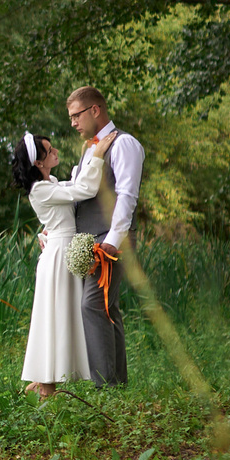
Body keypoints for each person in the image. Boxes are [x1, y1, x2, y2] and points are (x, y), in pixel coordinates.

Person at [12, 128, 106, 397]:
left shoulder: (50, 181)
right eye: (49, 151)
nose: (55, 152)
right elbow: (84, 189)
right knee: (54, 317)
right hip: (58, 258)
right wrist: (97, 155)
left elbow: (65, 196)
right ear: (38, 163)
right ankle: (45, 383)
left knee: (65, 315)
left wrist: (45, 230)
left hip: (62, 249)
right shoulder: (40, 189)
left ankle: (47, 381)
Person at [65, 85, 144, 385]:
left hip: (110, 240)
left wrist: (111, 242)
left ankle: (105, 387)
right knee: (107, 307)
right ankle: (117, 383)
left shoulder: (124, 145)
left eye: (76, 115)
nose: (73, 123)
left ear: (95, 110)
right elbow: (80, 193)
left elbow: (126, 196)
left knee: (93, 305)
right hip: (90, 240)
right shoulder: (89, 150)